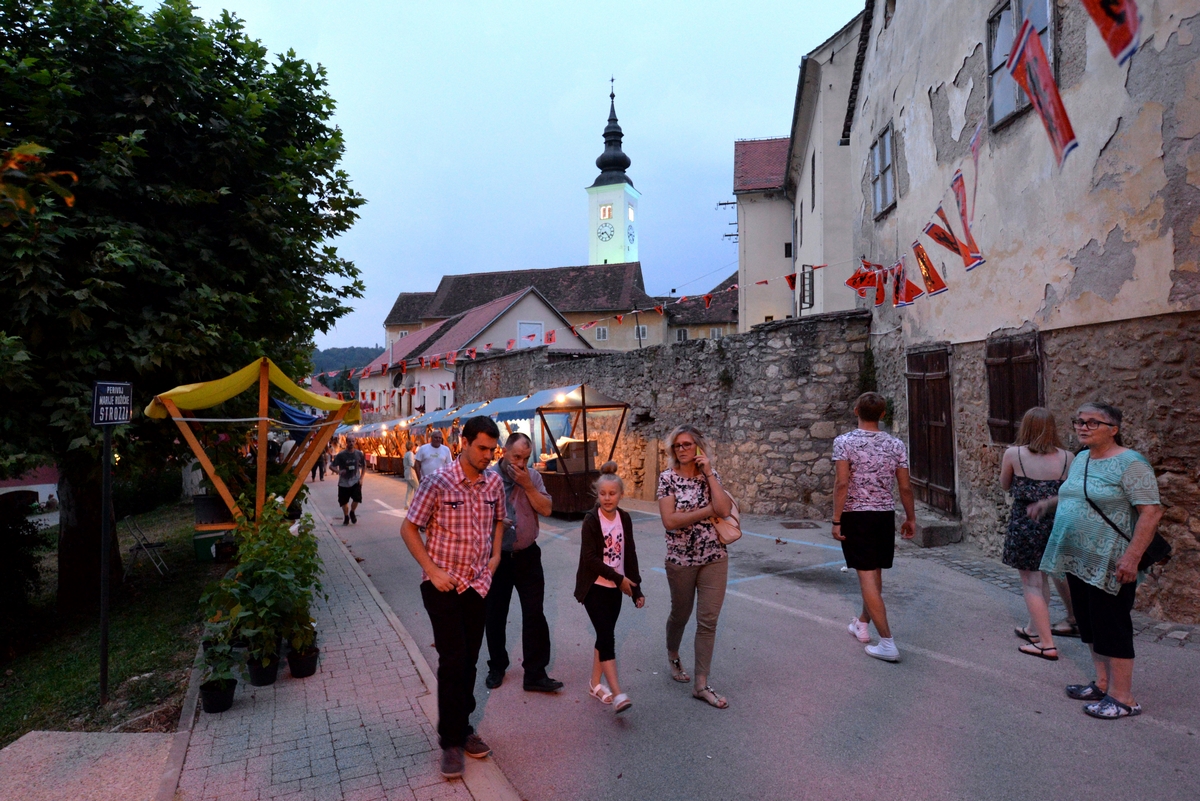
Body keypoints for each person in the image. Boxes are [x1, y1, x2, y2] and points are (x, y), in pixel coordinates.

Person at [1033, 402, 1163, 719]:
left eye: (1092, 423)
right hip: (1078, 558)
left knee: (1112, 625)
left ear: (1113, 429)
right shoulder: (1081, 459)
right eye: (1079, 421)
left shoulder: (1131, 464)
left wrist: (1132, 558)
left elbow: (1152, 511)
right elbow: (1074, 493)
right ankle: (1102, 683)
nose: (1082, 427)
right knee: (1090, 624)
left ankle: (1124, 698)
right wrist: (1048, 503)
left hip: (1111, 560)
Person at [400, 416, 506, 778]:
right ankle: (451, 743)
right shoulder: (437, 482)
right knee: (453, 659)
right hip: (442, 584)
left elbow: (499, 522)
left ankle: (462, 727)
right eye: (482, 448)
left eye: (493, 449)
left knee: (471, 659)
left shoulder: (494, 482)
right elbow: (409, 527)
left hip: (478, 584)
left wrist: (494, 558)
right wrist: (432, 570)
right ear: (463, 442)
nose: (488, 456)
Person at [832, 392, 917, 663]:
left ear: (855, 410)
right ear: (883, 415)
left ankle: (888, 642)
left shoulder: (843, 442)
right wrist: (910, 517)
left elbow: (842, 484)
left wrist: (836, 520)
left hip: (857, 516)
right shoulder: (895, 445)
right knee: (874, 572)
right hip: (883, 515)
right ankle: (861, 623)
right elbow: (905, 486)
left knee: (867, 576)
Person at [657, 424, 733, 709]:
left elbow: (724, 509)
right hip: (681, 560)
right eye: (678, 445)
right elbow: (670, 521)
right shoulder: (667, 479)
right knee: (681, 613)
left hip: (715, 556)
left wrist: (710, 473)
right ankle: (673, 654)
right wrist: (706, 511)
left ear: (698, 447)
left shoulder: (710, 477)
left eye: (688, 444)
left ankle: (701, 684)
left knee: (708, 620)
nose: (682, 449)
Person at [483, 433, 563, 692]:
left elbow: (547, 509)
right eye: (516, 456)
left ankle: (535, 673)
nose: (520, 463)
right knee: (495, 614)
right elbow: (475, 519)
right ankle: (497, 666)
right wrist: (496, 523)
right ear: (503, 452)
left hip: (528, 554)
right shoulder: (488, 478)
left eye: (525, 458)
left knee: (534, 613)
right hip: (497, 557)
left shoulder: (533, 477)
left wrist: (528, 485)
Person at [999, 407, 1077, 660]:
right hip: (1056, 522)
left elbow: (1005, 484)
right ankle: (1034, 628)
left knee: (1032, 582)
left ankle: (1046, 643)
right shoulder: (1068, 457)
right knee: (1047, 575)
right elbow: (1069, 492)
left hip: (1026, 521)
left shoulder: (1014, 454)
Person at [575, 462, 643, 713]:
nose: (607, 498)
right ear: (597, 494)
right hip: (594, 587)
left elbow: (630, 553)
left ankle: (594, 684)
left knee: (604, 634)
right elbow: (590, 559)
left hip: (615, 588)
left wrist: (636, 588)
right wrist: (618, 579)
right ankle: (617, 693)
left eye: (612, 493)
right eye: (603, 493)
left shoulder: (624, 518)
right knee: (607, 636)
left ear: (620, 495)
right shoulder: (591, 520)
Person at [331, 438, 365, 526]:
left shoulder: (359, 454)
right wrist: (339, 472)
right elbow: (332, 466)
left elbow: (364, 466)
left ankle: (352, 512)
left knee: (357, 499)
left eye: (353, 441)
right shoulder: (341, 455)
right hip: (344, 482)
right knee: (343, 501)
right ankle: (346, 516)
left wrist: (361, 478)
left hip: (355, 481)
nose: (351, 443)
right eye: (349, 441)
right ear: (346, 442)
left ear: (355, 442)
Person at [402, 440, 418, 510]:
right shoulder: (411, 454)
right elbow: (412, 463)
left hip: (406, 472)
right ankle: (416, 504)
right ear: (412, 446)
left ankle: (407, 504)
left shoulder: (406, 453)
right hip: (411, 472)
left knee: (409, 489)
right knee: (417, 488)